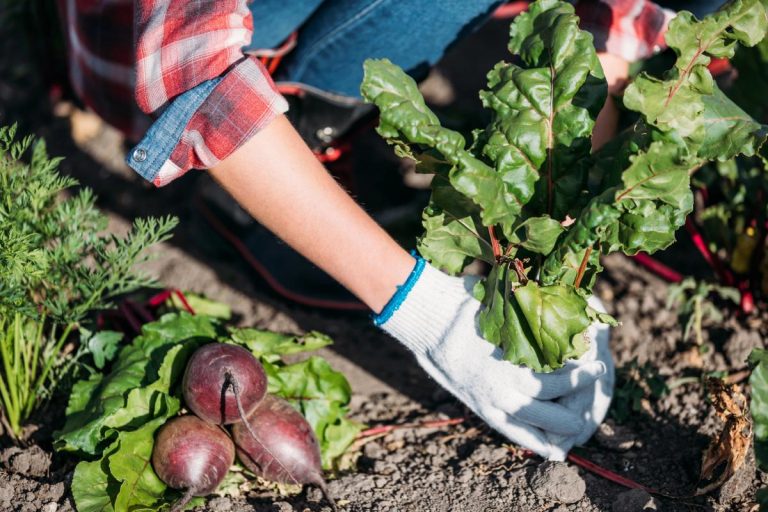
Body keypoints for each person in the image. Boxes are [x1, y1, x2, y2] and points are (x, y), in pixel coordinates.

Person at [59, 0, 715, 460]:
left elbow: (622, 16)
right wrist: (430, 313)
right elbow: (187, 68)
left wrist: (562, 244)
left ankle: (327, 129)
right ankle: (260, 180)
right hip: (155, 54)